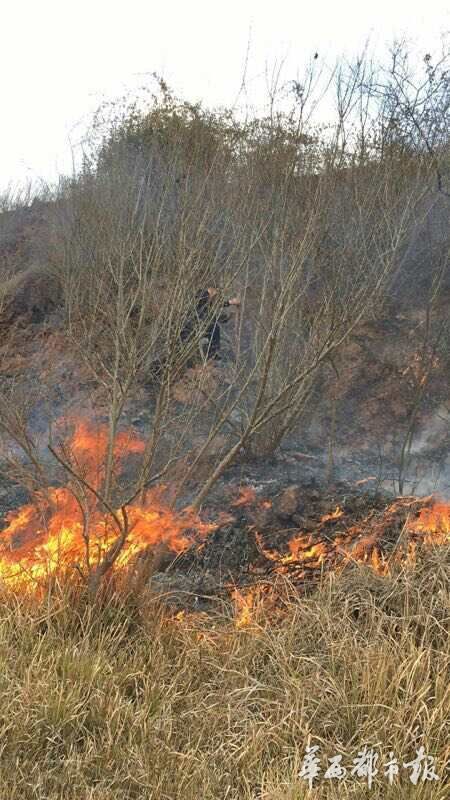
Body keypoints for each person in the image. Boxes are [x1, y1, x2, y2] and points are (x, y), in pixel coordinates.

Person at [180, 287, 240, 362]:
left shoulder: (209, 305)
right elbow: (207, 301)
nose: (215, 298)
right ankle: (211, 354)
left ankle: (213, 354)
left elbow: (216, 309)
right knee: (214, 328)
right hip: (191, 326)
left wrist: (229, 311)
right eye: (215, 296)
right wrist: (208, 293)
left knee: (215, 328)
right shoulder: (202, 297)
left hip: (198, 325)